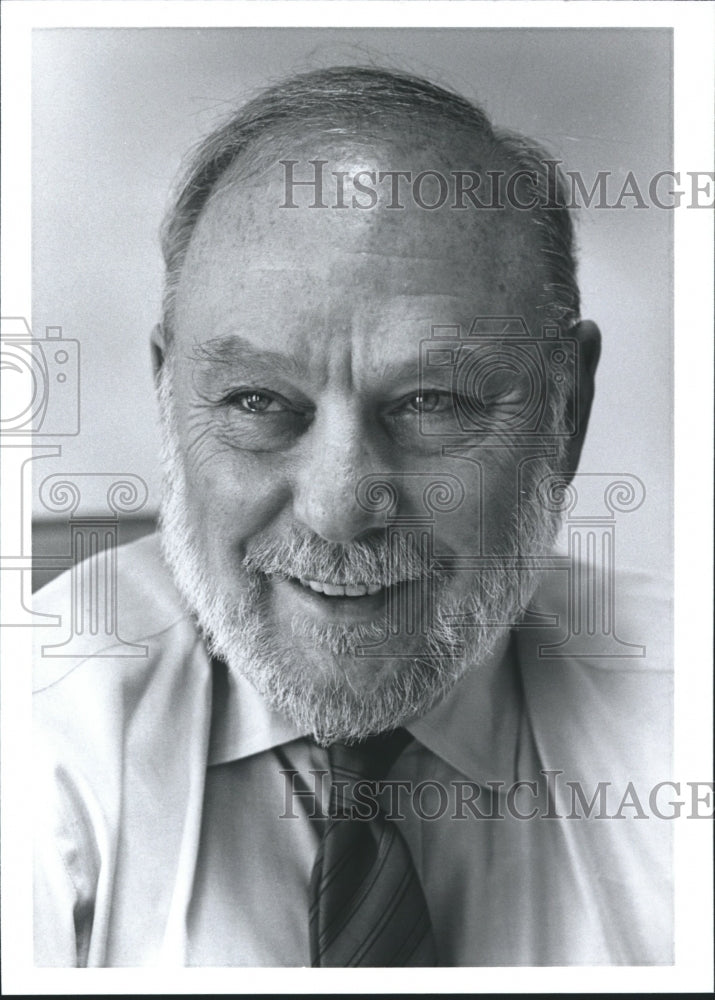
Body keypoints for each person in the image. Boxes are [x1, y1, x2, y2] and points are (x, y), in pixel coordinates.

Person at [33, 66, 672, 967]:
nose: (339, 512)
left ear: (565, 411)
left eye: (432, 401)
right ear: (168, 396)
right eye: (258, 401)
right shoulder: (38, 732)